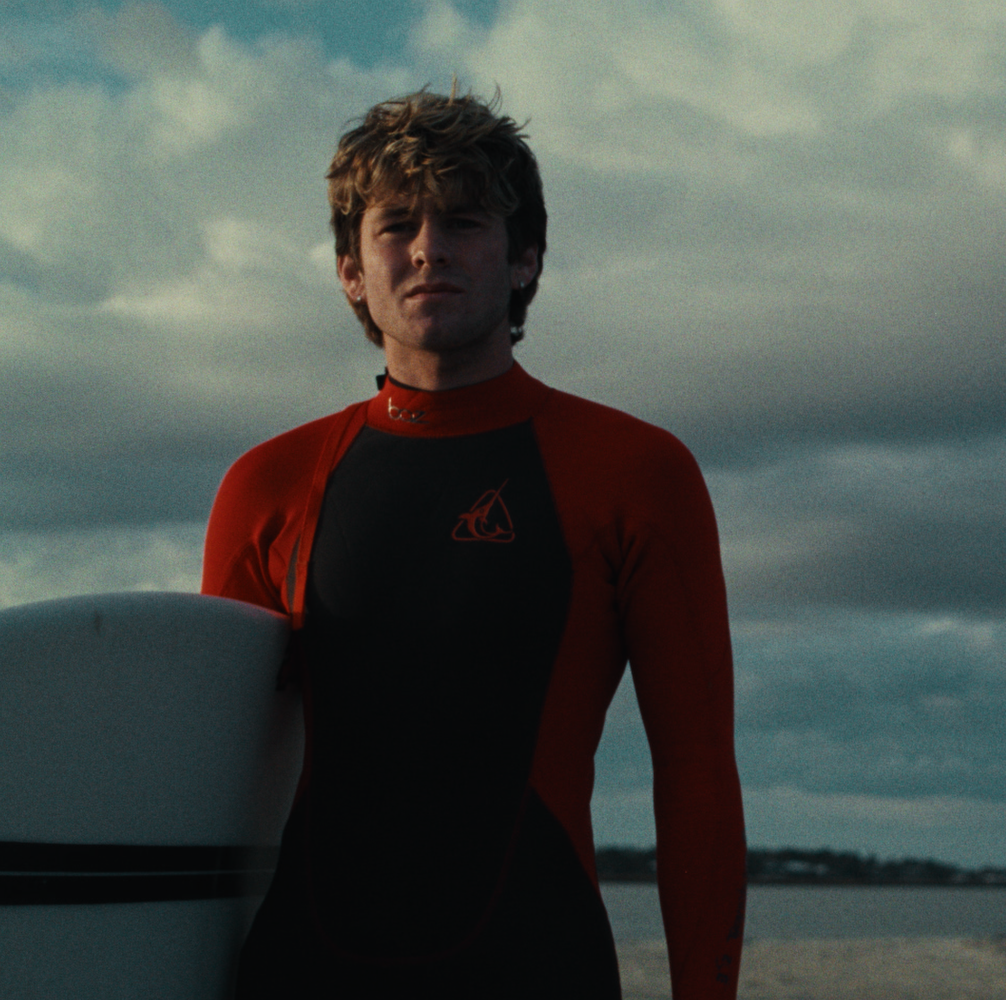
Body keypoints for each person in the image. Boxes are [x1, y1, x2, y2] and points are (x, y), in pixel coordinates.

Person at [202, 89, 746, 999]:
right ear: (350, 270)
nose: (428, 248)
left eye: (463, 220)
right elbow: (209, 774)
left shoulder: (634, 474)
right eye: (396, 225)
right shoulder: (269, 486)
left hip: (536, 967)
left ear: (525, 258)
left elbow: (695, 775)